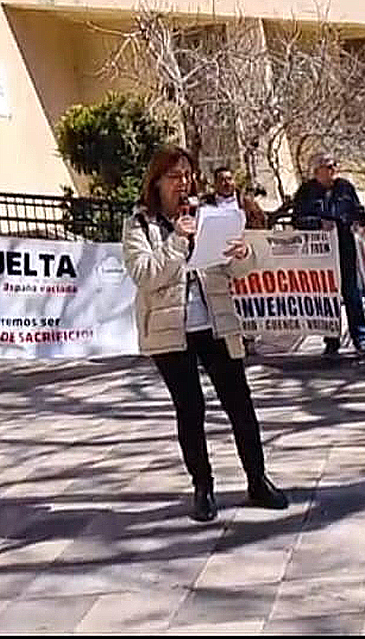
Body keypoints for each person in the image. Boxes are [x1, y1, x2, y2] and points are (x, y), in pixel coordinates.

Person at [122, 145, 287, 522]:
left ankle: (257, 480)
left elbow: (234, 272)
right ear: (157, 181)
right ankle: (203, 488)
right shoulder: (139, 224)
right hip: (170, 330)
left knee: (240, 404)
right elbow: (145, 275)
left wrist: (241, 254)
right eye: (175, 176)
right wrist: (178, 240)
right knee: (190, 410)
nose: (183, 183)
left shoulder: (206, 213)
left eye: (188, 175)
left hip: (216, 323)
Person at [293, 154, 365, 358]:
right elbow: (298, 219)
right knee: (327, 295)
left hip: (345, 245)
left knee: (352, 292)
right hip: (321, 253)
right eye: (328, 166)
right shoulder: (306, 191)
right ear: (317, 170)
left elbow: (358, 211)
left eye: (334, 165)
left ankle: (360, 337)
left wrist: (359, 222)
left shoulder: (345, 187)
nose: (332, 170)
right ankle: (331, 340)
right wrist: (319, 224)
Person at [203, 166, 268, 230]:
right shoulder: (207, 203)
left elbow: (260, 225)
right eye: (222, 180)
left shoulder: (248, 204)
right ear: (215, 184)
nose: (227, 183)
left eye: (229, 179)